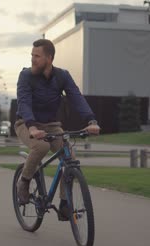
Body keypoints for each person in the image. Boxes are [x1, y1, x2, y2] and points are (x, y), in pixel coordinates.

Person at [15, 39, 100, 220]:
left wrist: (91, 120)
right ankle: (24, 181)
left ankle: (64, 203)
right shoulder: (26, 76)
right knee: (41, 147)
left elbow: (76, 97)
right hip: (26, 123)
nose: (33, 59)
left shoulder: (62, 76)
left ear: (49, 58)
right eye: (32, 55)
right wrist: (31, 126)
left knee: (70, 157)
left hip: (51, 125)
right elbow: (24, 102)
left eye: (37, 56)